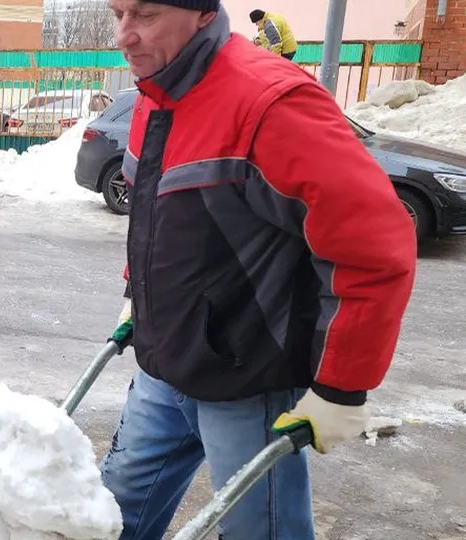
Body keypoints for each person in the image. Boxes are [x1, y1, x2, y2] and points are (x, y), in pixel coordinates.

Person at [104, 1, 417, 539]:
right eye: (118, 13)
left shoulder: (270, 103)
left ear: (202, 14)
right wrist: (140, 296)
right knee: (108, 519)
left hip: (245, 381)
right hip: (162, 367)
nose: (123, 36)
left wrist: (342, 387)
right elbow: (160, 220)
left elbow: (374, 246)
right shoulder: (152, 96)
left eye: (146, 15)